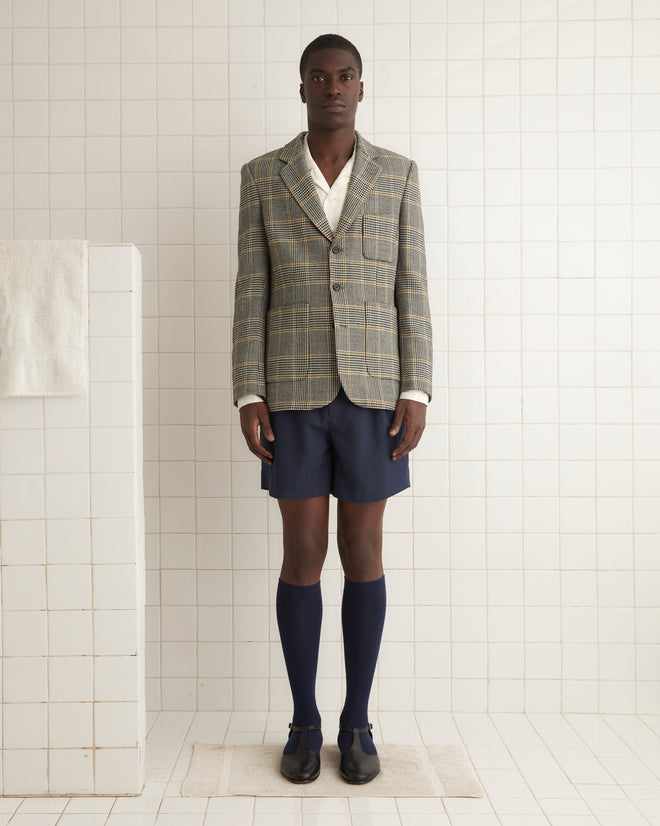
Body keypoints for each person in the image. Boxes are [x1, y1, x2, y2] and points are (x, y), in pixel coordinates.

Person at [231, 33, 432, 785]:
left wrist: (416, 389)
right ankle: (304, 721)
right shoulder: (262, 178)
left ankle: (357, 721)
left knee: (366, 555)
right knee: (303, 556)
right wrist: (249, 392)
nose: (334, 87)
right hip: (291, 393)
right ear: (303, 88)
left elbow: (411, 286)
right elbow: (252, 291)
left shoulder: (397, 176)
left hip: (375, 395)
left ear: (360, 84)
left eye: (345, 75)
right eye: (320, 77)